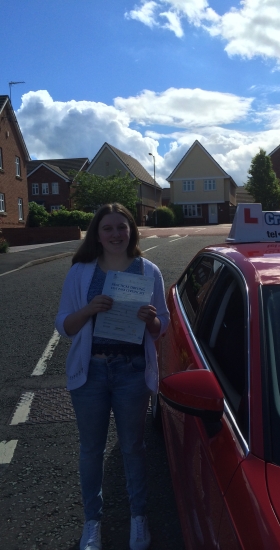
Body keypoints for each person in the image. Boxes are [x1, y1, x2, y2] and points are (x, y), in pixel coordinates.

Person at [55, 203, 169, 550]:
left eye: (123, 227)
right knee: (90, 450)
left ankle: (139, 519)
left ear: (132, 231)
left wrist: (150, 319)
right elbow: (64, 326)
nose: (117, 234)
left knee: (133, 448)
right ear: (97, 234)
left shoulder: (148, 270)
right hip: (91, 371)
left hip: (132, 372)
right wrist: (89, 309)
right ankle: (92, 522)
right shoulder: (80, 272)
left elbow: (159, 328)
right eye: (108, 228)